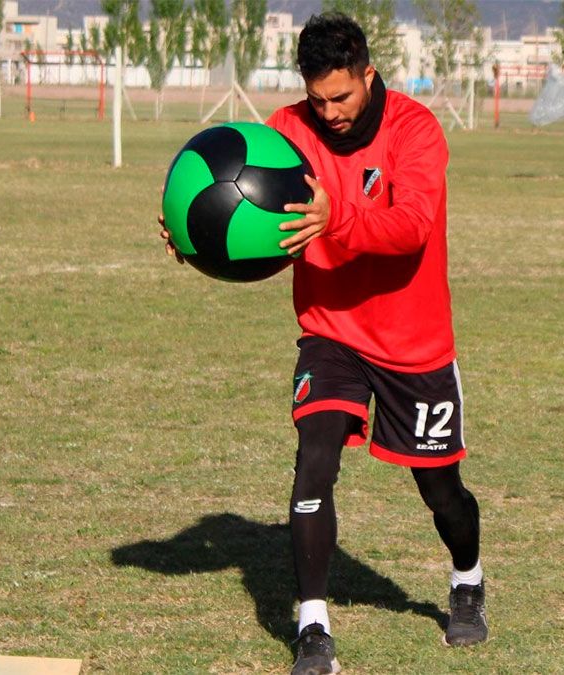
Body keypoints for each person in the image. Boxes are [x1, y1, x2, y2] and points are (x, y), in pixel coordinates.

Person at [161, 13, 487, 675]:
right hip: (330, 332)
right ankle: (313, 629)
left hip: (413, 340)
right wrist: (199, 236)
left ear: (368, 74)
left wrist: (338, 218)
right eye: (318, 99)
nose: (330, 112)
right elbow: (255, 214)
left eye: (341, 96)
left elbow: (412, 227)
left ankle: (467, 577)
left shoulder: (416, 130)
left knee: (441, 491)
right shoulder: (286, 132)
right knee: (314, 461)